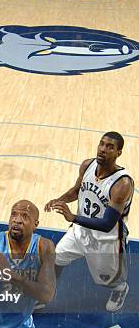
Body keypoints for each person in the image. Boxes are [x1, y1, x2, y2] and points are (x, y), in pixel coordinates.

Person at [45, 132, 133, 312]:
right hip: (79, 231)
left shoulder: (121, 183)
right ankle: (47, 292)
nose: (103, 149)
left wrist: (73, 217)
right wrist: (59, 200)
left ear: (119, 153)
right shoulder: (87, 165)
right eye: (102, 144)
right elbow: (77, 190)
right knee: (57, 257)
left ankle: (120, 289)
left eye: (110, 147)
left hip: (105, 239)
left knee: (107, 280)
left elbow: (108, 223)